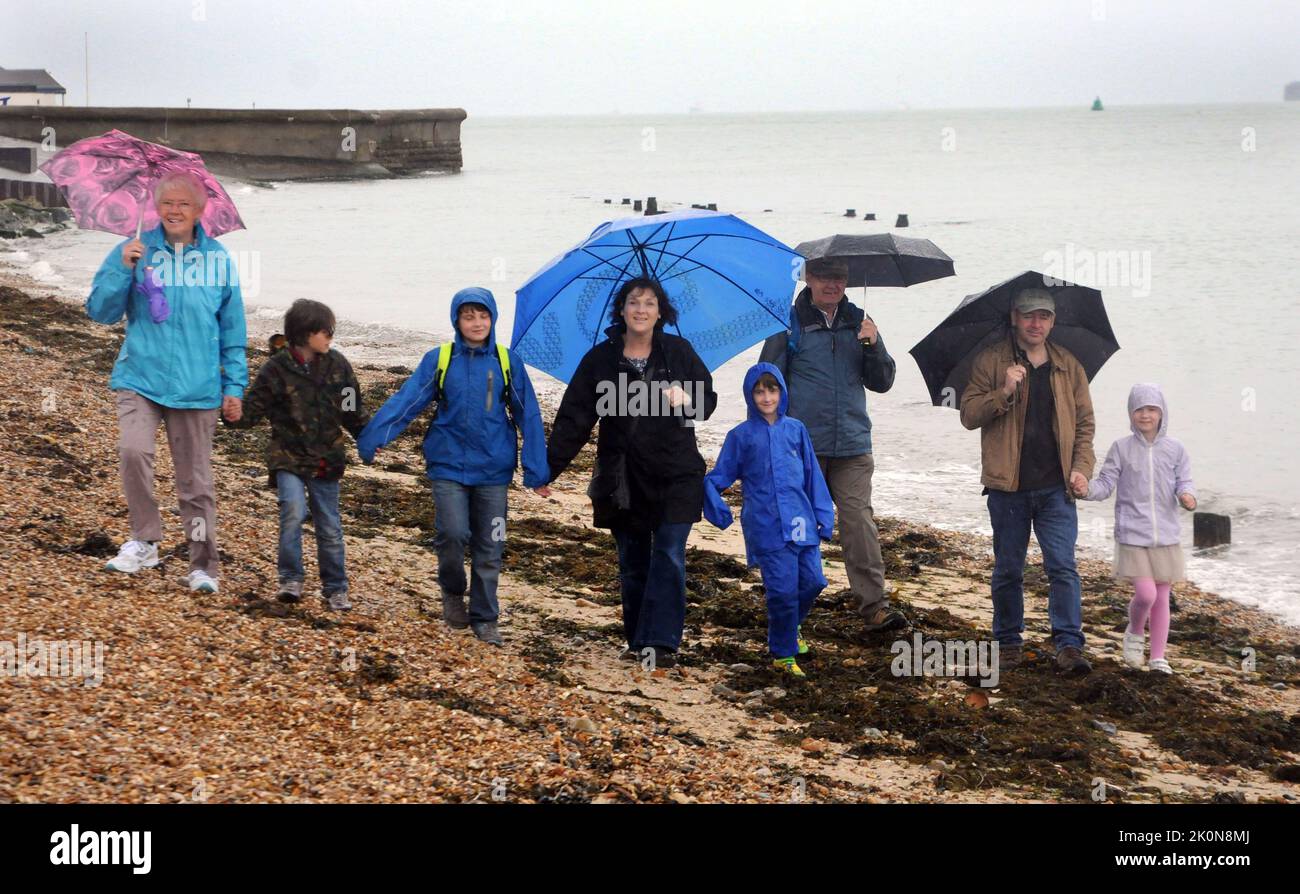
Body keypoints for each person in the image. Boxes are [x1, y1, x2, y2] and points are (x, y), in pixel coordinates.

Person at [357, 288, 550, 645]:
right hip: (447, 464)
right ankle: (451, 591)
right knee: (452, 533)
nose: (477, 323)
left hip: (493, 468)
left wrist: (537, 471)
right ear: (456, 321)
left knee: (491, 543)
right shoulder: (440, 358)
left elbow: (530, 415)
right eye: (468, 316)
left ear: (493, 318)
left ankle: (485, 616)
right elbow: (408, 400)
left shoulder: (508, 362)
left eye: (483, 315)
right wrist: (375, 437)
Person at [87, 170, 247, 594]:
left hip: (197, 389)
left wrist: (235, 387)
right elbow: (100, 312)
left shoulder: (218, 260)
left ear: (199, 210)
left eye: (183, 204)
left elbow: (233, 331)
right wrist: (124, 270)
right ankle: (144, 540)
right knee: (133, 450)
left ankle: (203, 565)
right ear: (155, 208)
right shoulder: (133, 249)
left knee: (195, 482)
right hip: (140, 376)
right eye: (166, 203)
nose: (174, 211)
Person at [547, 277, 718, 669]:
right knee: (634, 560)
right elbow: (574, 418)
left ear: (662, 312)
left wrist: (685, 396)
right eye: (634, 302)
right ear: (621, 310)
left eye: (650, 303)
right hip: (623, 478)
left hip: (677, 473)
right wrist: (548, 470)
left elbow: (707, 402)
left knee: (670, 554)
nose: (641, 309)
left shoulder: (678, 352)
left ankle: (662, 643)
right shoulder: (601, 360)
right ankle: (638, 638)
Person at [758, 257, 905, 633]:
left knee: (859, 524)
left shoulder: (861, 321)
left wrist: (873, 346)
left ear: (846, 281)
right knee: (800, 528)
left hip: (854, 445)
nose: (832, 284)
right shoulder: (787, 323)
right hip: (802, 447)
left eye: (838, 277)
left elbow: (883, 381)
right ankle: (791, 605)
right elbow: (766, 384)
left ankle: (875, 608)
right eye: (823, 277)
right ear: (808, 279)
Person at [959, 287, 1096, 675]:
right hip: (1008, 488)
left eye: (1044, 317)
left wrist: (1081, 468)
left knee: (1063, 567)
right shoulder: (991, 361)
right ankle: (1007, 642)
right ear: (1015, 318)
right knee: (1008, 569)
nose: (1036, 324)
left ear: (1052, 322)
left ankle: (1069, 644)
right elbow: (969, 415)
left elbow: (1085, 425)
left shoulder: (1069, 365)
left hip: (1057, 488)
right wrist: (1003, 391)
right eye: (1029, 316)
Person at [225, 299, 369, 611]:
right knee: (292, 511)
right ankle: (290, 579)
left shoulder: (339, 365)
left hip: (326, 459)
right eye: (324, 331)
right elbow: (252, 410)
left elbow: (352, 411)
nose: (330, 336)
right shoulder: (276, 369)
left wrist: (368, 439)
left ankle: (335, 589)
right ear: (304, 334)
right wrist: (233, 414)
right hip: (287, 456)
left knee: (329, 525)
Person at [702, 363, 834, 678]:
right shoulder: (741, 436)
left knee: (814, 581)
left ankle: (792, 628)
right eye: (759, 391)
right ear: (750, 395)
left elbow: (812, 474)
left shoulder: (796, 430)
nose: (766, 397)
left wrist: (823, 517)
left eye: (771, 389)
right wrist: (717, 508)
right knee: (782, 591)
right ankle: (783, 654)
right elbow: (717, 477)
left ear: (782, 392)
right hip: (767, 526)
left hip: (802, 523)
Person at [1080, 384, 1196, 674]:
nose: (1146, 415)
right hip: (1133, 533)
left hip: (1166, 535)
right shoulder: (1121, 448)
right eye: (1139, 409)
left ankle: (1158, 657)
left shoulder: (1176, 448)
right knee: (1146, 595)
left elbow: (1184, 480)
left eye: (1152, 409)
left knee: (1162, 598)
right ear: (1131, 414)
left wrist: (1187, 496)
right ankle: (1133, 631)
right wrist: (1084, 489)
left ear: (1161, 413)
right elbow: (1105, 484)